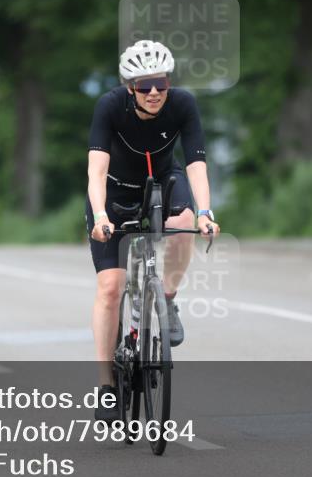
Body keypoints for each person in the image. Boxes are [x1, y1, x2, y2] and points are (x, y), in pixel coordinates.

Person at [86, 40, 220, 421]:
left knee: (183, 222)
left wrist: (206, 211)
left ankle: (169, 297)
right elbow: (95, 172)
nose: (154, 93)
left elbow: (196, 163)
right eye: (144, 86)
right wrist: (99, 215)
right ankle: (106, 386)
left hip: (162, 179)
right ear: (130, 87)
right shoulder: (110, 106)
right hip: (113, 191)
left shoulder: (182, 104)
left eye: (160, 84)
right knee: (111, 287)